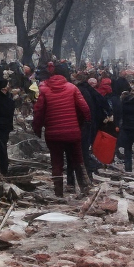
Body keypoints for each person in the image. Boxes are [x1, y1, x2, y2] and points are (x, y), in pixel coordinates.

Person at [32, 66, 91, 198]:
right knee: (78, 159)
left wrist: (37, 128)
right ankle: (84, 188)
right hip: (72, 132)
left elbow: (38, 112)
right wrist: (80, 123)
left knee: (57, 162)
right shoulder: (72, 88)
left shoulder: (44, 90)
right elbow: (85, 109)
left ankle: (58, 193)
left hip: (53, 134)